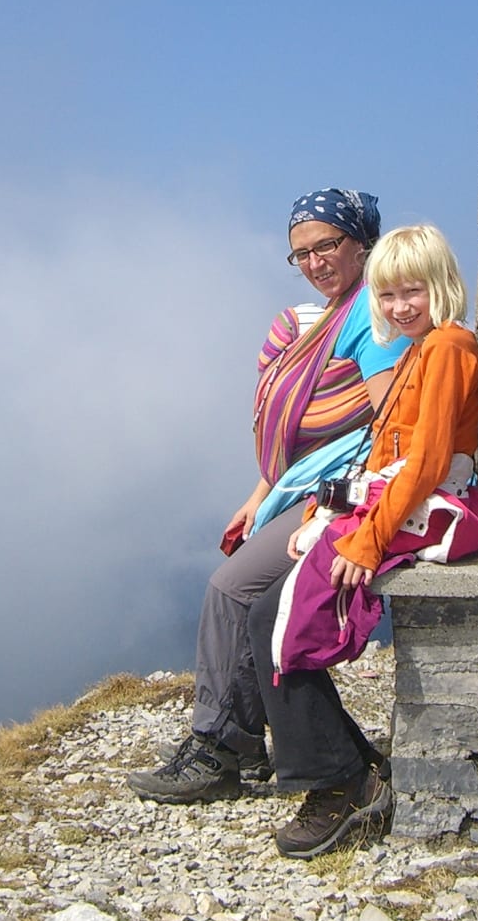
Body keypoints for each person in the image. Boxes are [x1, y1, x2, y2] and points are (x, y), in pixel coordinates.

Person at [126, 188, 409, 804]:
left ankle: (219, 748)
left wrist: (353, 512)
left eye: (326, 245)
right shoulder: (336, 316)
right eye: (300, 254)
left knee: (232, 590)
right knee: (248, 598)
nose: (314, 263)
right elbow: (312, 433)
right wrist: (260, 494)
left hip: (343, 496)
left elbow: (390, 423)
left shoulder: (370, 318)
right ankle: (239, 744)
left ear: (362, 243)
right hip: (308, 485)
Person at [249, 223, 478, 859]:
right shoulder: (421, 348)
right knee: (272, 618)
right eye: (387, 295)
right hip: (388, 506)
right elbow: (388, 452)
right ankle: (350, 768)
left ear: (442, 286)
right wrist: (325, 516)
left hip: (412, 513)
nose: (400, 306)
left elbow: (427, 460)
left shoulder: (447, 346)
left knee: (274, 620)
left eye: (414, 291)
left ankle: (341, 784)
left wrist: (365, 542)